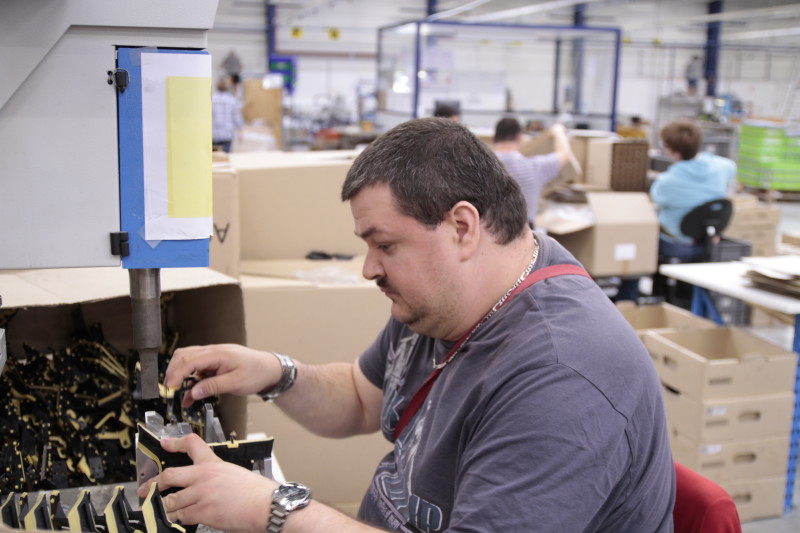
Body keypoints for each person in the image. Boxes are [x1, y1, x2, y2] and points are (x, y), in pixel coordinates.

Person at [139, 118, 675, 532]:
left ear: (462, 227)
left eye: (385, 245)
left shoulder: (563, 376)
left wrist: (275, 509)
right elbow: (360, 397)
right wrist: (275, 373)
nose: (369, 268)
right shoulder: (442, 302)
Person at [650, 119, 737, 259]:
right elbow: (731, 167)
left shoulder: (666, 181)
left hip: (677, 245)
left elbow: (655, 203)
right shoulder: (722, 167)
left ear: (675, 152)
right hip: (708, 240)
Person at [493, 117, 576, 227]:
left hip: (489, 233)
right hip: (525, 231)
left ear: (494, 138)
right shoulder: (534, 167)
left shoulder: (482, 168)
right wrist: (558, 131)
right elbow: (564, 154)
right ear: (519, 137)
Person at [211, 75, 244, 153]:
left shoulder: (212, 100)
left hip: (214, 134)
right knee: (225, 156)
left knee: (215, 157)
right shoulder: (232, 100)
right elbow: (237, 118)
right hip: (227, 134)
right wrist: (240, 132)